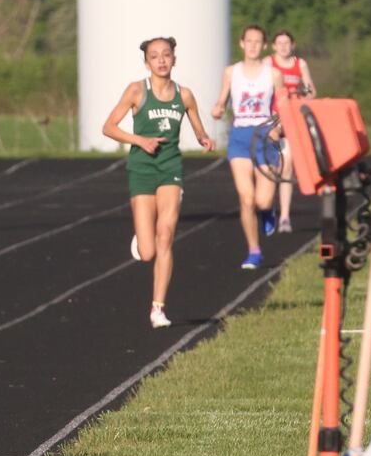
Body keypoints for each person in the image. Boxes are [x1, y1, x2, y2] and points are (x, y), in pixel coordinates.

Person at [103, 37, 215, 328]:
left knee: (166, 235)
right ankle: (141, 241)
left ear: (174, 59)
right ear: (147, 62)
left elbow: (198, 127)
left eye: (167, 55)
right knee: (148, 251)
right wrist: (140, 140)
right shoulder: (137, 90)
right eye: (155, 56)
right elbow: (109, 127)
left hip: (170, 168)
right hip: (141, 168)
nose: (162, 60)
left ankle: (158, 308)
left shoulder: (185, 95)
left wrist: (204, 138)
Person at [212, 24, 284, 269]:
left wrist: (279, 127)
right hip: (240, 136)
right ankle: (254, 250)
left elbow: (283, 105)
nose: (253, 46)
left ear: (263, 46)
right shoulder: (231, 72)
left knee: (262, 201)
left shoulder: (273, 74)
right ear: (241, 44)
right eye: (249, 41)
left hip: (265, 136)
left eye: (258, 42)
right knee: (246, 198)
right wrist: (219, 108)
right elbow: (223, 98)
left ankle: (268, 211)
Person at [270, 29, 316, 233]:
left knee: (287, 165)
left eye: (287, 43)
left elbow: (312, 91)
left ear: (293, 45)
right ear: (274, 46)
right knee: (272, 167)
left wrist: (303, 96)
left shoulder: (300, 64)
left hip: (292, 119)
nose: (283, 47)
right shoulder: (268, 64)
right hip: (273, 119)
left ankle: (285, 217)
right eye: (280, 43)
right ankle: (267, 206)